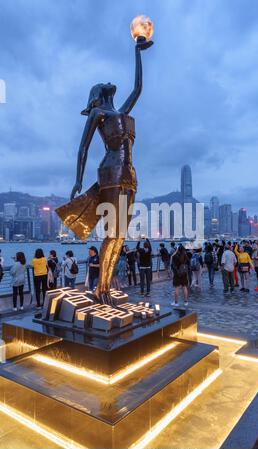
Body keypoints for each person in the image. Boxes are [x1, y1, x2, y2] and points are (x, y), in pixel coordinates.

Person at [55, 37, 153, 301]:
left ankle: (106, 287)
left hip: (130, 175)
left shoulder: (121, 111)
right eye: (101, 84)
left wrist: (137, 52)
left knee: (121, 236)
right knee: (112, 233)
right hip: (110, 173)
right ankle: (101, 288)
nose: (107, 81)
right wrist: (78, 180)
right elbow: (82, 148)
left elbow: (138, 88)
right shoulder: (98, 113)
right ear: (97, 95)